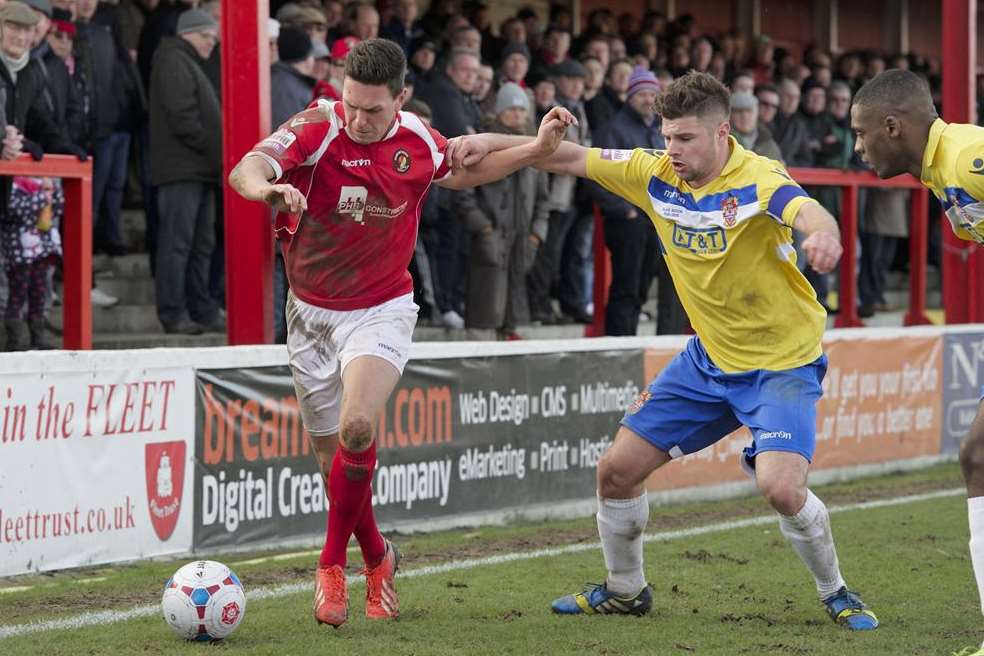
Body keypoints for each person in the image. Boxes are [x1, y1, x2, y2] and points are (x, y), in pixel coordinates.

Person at [450, 70, 879, 630]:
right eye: (667, 135)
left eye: (686, 139)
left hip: (779, 365)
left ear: (723, 132)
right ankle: (626, 589)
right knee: (616, 472)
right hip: (706, 361)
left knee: (779, 488)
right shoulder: (653, 173)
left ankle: (836, 591)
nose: (672, 150)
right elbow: (566, 157)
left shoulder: (758, 178)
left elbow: (806, 209)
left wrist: (824, 235)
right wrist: (495, 143)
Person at [228, 38, 573, 627]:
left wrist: (536, 149)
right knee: (333, 459)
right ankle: (378, 556)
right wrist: (269, 190)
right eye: (353, 105)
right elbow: (247, 168)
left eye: (375, 110)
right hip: (308, 311)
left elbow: (468, 167)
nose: (360, 120)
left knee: (358, 425)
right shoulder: (317, 126)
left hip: (381, 305)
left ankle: (332, 565)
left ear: (401, 99)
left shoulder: (415, 137)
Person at [851, 68, 984, 655]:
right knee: (979, 456)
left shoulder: (967, 156)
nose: (857, 147)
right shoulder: (938, 170)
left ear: (891, 125)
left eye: (860, 134)